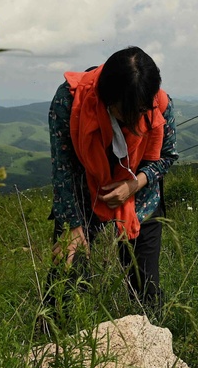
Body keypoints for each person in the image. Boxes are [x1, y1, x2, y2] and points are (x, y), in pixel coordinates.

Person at [47, 46, 177, 319]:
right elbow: (63, 168)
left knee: (146, 289)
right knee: (65, 281)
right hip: (83, 195)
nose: (134, 121)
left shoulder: (159, 104)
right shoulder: (71, 101)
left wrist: (134, 184)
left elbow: (166, 157)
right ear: (107, 99)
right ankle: (48, 346)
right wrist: (72, 225)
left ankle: (154, 346)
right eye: (125, 112)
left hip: (141, 197)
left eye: (141, 110)